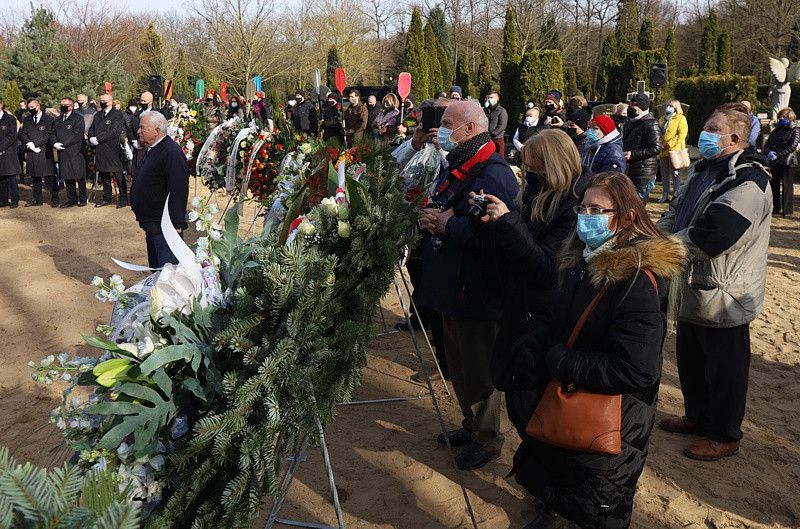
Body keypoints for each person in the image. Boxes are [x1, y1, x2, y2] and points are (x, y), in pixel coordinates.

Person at [511, 171, 685, 529]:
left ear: (627, 216)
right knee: (562, 483)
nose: (586, 217)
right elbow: (566, 323)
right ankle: (552, 511)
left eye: (598, 210)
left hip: (611, 419)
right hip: (572, 406)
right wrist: (533, 348)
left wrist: (559, 359)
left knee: (598, 508)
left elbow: (636, 369)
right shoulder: (581, 260)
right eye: (583, 208)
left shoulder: (635, 278)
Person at [657, 104, 772, 462]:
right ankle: (698, 416)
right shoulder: (702, 170)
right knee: (691, 358)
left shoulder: (749, 181)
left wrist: (657, 250)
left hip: (726, 294)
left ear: (734, 138)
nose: (702, 133)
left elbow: (712, 236)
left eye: (711, 128)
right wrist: (650, 237)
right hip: (692, 288)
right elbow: (675, 214)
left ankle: (725, 434)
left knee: (726, 369)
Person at [417, 101, 519, 470]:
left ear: (471, 129)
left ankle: (488, 438)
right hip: (453, 285)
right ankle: (472, 426)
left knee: (477, 367)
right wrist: (433, 217)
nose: (440, 130)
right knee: (458, 364)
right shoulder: (461, 164)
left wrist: (447, 224)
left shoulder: (493, 174)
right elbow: (448, 206)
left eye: (447, 124)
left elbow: (494, 233)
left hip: (476, 288)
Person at [476, 129, 589, 436]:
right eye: (525, 167)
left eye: (533, 167)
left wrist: (508, 223)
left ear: (551, 165)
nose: (526, 174)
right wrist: (490, 225)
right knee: (516, 397)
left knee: (534, 404)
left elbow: (545, 269)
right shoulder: (532, 196)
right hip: (518, 309)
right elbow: (511, 257)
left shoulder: (572, 207)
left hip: (543, 317)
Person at [129, 111, 189, 269]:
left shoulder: (171, 152)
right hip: (152, 224)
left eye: (142, 127)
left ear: (157, 130)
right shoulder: (152, 149)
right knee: (156, 270)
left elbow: (178, 189)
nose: (138, 131)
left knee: (167, 273)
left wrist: (176, 223)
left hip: (166, 228)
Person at [89, 93, 127, 208]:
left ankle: (123, 198)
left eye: (104, 100)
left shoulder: (117, 114)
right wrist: (91, 137)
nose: (102, 102)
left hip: (112, 149)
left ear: (110, 102)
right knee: (104, 173)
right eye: (101, 100)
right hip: (100, 149)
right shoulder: (98, 115)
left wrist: (98, 138)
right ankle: (107, 197)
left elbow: (114, 131)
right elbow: (92, 129)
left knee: (118, 174)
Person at [622, 93, 661, 203]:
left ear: (641, 107)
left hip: (643, 171)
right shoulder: (630, 123)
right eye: (630, 104)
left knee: (638, 205)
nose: (630, 108)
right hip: (630, 170)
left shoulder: (650, 123)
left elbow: (655, 147)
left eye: (634, 106)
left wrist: (633, 154)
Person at [20, 100, 57, 207]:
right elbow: (22, 133)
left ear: (38, 106)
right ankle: (37, 199)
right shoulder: (27, 120)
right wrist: (29, 143)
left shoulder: (49, 119)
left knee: (49, 176)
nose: (30, 109)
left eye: (32, 107)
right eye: (29, 107)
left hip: (44, 151)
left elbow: (48, 135)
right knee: (35, 176)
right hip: (31, 151)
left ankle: (55, 198)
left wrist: (35, 144)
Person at [764, 107, 800, 216]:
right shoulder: (776, 131)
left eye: (784, 117)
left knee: (787, 186)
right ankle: (775, 207)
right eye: (780, 117)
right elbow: (767, 145)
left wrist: (778, 154)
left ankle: (787, 210)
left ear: (791, 118)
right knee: (774, 185)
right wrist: (768, 152)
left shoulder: (795, 130)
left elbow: (792, 146)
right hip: (774, 162)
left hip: (788, 162)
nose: (781, 119)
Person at [52, 97, 87, 207]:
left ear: (71, 106)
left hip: (76, 150)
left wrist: (64, 143)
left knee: (79, 175)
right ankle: (71, 199)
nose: (63, 106)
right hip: (63, 152)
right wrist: (55, 143)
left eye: (65, 104)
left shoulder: (78, 118)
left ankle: (82, 198)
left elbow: (76, 135)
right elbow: (52, 133)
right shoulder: (57, 120)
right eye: (61, 104)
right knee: (67, 176)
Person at [658, 99, 689, 202]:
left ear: (676, 107)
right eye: (667, 105)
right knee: (664, 173)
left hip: (674, 150)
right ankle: (665, 194)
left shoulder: (680, 118)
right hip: (663, 151)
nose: (668, 107)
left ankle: (676, 194)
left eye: (671, 106)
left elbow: (681, 135)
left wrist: (669, 144)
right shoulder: (662, 119)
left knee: (675, 173)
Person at [0, 100, 21, 208]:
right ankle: (3, 199)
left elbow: (11, 136)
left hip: (8, 152)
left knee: (10, 176)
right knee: (1, 178)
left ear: (1, 104)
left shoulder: (10, 119)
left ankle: (14, 198)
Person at [484, 90, 508, 155]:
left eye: (491, 97)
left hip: (497, 138)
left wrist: (493, 134)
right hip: (486, 139)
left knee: (499, 157)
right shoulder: (485, 110)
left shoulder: (501, 110)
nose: (489, 99)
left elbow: (502, 125)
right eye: (488, 98)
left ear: (497, 98)